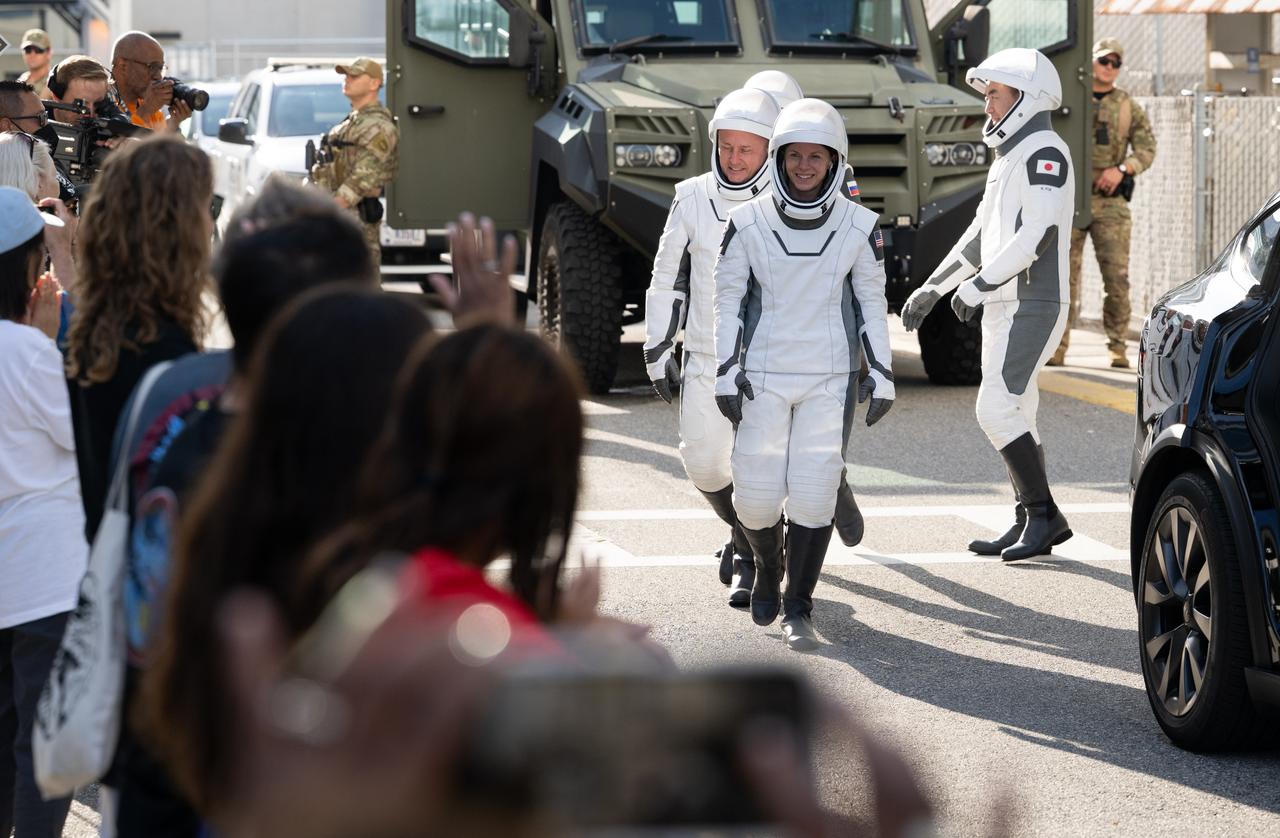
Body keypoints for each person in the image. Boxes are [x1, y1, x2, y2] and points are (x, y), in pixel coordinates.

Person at [713, 98, 894, 652]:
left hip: (827, 376)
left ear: (836, 161)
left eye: (817, 157)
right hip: (764, 375)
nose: (805, 166)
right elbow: (726, 299)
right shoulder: (746, 221)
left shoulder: (860, 225)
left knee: (815, 493)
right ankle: (769, 566)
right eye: (796, 156)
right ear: (780, 159)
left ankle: (800, 606)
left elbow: (870, 300)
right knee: (756, 498)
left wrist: (882, 374)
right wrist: (725, 370)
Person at [899, 48, 1074, 562]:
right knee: (1019, 411)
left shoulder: (1046, 152)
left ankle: (1044, 516)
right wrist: (931, 288)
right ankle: (1029, 518)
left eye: (995, 95)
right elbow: (977, 238)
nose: (988, 108)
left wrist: (978, 285)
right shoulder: (1010, 159)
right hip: (1006, 301)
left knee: (995, 407)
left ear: (1026, 96)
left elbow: (1037, 235)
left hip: (1032, 300)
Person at [644, 88, 779, 607]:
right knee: (704, 463)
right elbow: (666, 275)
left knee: (755, 467)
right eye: (727, 146)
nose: (735, 159)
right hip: (703, 354)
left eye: (747, 149)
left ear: (768, 148)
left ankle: (753, 556)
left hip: (770, 361)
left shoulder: (790, 200)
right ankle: (746, 534)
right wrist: (657, 349)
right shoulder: (692, 195)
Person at [65, 135, 212, 544]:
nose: (212, 222)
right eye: (206, 207)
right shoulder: (160, 348)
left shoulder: (100, 326)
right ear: (175, 227)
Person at [0, 187, 78, 838]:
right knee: (44, 739)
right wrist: (50, 340)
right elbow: (82, 434)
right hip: (44, 582)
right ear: (30, 271)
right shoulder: (28, 352)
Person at [1049, 37, 1156, 369]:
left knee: (1117, 278)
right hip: (1070, 198)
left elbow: (1146, 149)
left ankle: (1118, 347)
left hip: (1109, 203)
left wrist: (1121, 169)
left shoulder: (1127, 105)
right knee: (1063, 278)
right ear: (1091, 62)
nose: (1109, 68)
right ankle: (1057, 347)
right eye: (1103, 61)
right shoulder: (1070, 101)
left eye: (1115, 63)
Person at [309, 57, 398, 267]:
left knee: (358, 285)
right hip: (339, 217)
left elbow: (362, 178)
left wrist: (325, 210)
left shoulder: (378, 126)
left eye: (355, 76)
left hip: (355, 220)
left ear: (374, 83)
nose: (347, 79)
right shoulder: (353, 122)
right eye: (346, 75)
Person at [107, 31, 191, 132]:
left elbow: (162, 147)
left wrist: (174, 122)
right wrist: (145, 112)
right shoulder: (98, 102)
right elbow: (122, 145)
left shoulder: (152, 110)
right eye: (152, 67)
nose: (158, 77)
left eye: (160, 68)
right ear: (123, 66)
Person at [17, 30, 52, 100]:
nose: (32, 55)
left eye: (38, 50)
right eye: (28, 50)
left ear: (48, 53)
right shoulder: (22, 80)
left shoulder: (55, 82)